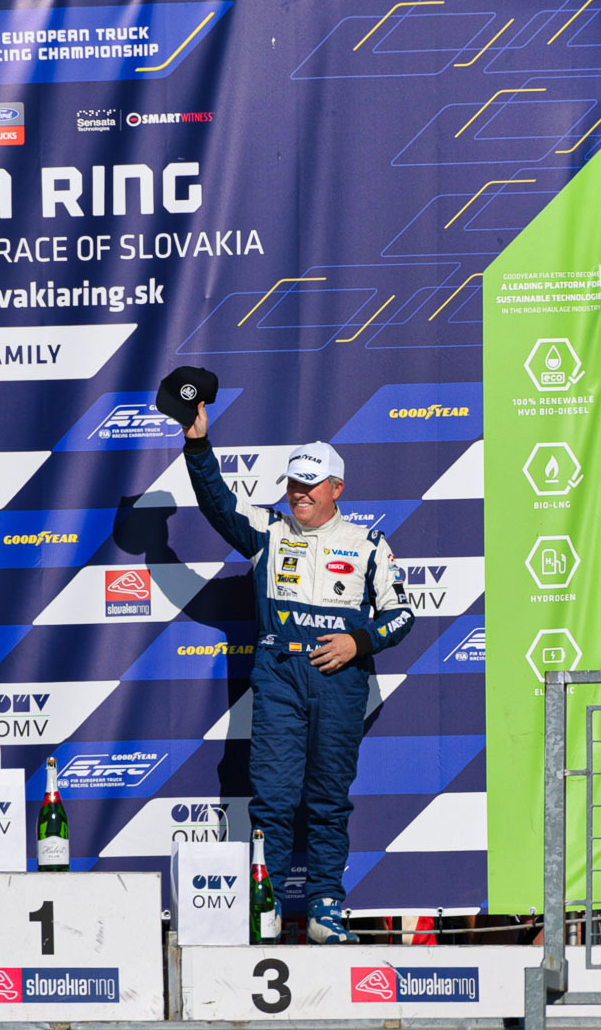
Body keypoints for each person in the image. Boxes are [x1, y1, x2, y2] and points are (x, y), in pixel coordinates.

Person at [181, 401, 414, 944]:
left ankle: (324, 908)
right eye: (293, 484)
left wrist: (358, 641)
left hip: (340, 682)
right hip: (280, 673)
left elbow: (402, 614)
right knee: (272, 799)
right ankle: (264, 907)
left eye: (311, 485)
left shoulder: (368, 545)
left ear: (337, 488)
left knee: (329, 801)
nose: (299, 493)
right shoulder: (268, 531)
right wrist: (197, 445)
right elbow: (217, 503)